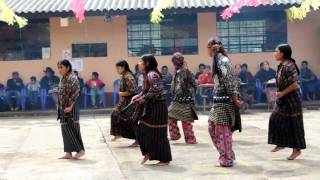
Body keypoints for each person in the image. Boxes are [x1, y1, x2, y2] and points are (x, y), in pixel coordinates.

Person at [207, 37, 242, 167]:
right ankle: (228, 153)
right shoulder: (217, 60)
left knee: (222, 130)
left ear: (211, 48)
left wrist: (235, 100)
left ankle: (226, 158)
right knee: (212, 127)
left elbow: (229, 81)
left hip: (225, 101)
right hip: (218, 101)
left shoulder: (223, 60)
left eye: (208, 48)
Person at [132, 54, 172, 166]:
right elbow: (146, 90)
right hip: (152, 107)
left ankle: (164, 159)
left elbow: (157, 90)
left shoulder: (152, 74)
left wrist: (143, 99)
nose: (139, 63)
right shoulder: (147, 75)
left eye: (141, 61)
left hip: (158, 108)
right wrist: (138, 96)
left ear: (147, 63)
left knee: (158, 134)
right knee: (142, 130)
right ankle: (149, 152)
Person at [268, 44, 306, 160]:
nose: (274, 53)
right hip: (283, 99)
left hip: (292, 100)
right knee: (275, 119)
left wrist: (282, 93)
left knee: (294, 125)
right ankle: (281, 143)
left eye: (276, 51)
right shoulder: (282, 65)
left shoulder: (289, 66)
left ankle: (296, 150)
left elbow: (295, 84)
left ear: (282, 53)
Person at [57, 59, 85, 160]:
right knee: (64, 129)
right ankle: (68, 153)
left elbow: (76, 93)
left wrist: (70, 106)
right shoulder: (63, 78)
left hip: (71, 108)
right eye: (58, 68)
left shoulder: (72, 78)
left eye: (61, 67)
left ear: (67, 67)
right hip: (63, 107)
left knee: (71, 129)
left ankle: (80, 150)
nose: (59, 70)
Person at [168, 52, 198, 144]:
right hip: (176, 100)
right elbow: (174, 86)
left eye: (176, 62)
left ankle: (190, 139)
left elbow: (195, 85)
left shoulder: (188, 72)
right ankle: (175, 135)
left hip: (186, 100)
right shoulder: (176, 72)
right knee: (170, 116)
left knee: (186, 120)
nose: (174, 64)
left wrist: (189, 94)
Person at [110, 60, 138, 147]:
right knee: (115, 114)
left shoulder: (129, 76)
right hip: (124, 102)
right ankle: (118, 134)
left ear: (123, 67)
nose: (117, 70)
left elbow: (133, 91)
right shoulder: (123, 76)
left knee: (130, 120)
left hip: (131, 102)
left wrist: (122, 94)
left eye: (118, 68)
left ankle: (138, 139)